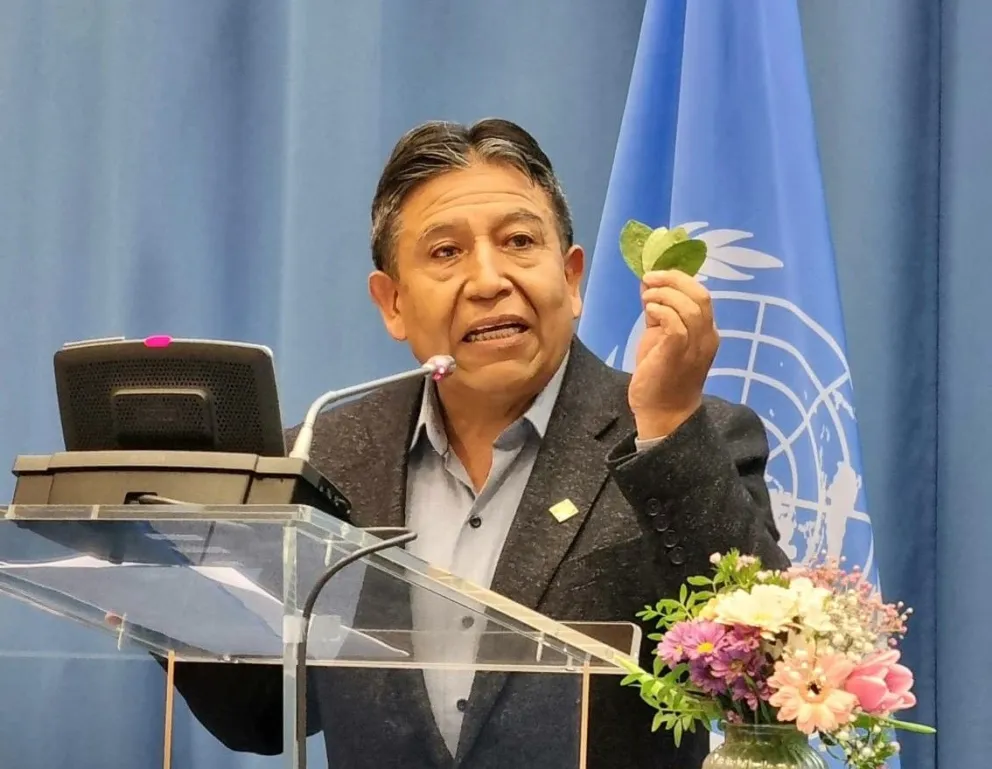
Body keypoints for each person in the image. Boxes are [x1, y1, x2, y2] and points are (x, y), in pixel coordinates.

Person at [169, 118, 790, 769]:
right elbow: (264, 712)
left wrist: (667, 426)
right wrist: (162, 555)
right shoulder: (321, 457)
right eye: (445, 252)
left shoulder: (685, 437)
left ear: (572, 279)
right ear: (393, 303)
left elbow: (770, 678)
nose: (489, 279)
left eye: (520, 241)